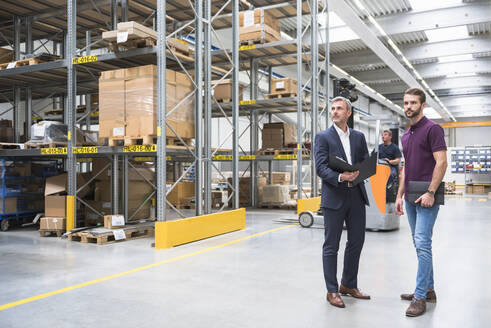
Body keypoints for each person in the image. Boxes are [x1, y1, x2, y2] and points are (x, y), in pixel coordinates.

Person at [395, 88, 447, 317]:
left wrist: (431, 191)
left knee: (423, 243)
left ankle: (419, 297)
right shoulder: (406, 134)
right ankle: (428, 289)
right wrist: (398, 195)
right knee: (419, 245)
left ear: (422, 105)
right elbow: (405, 167)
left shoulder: (432, 129)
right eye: (406, 103)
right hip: (410, 196)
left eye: (413, 103)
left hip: (427, 197)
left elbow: (442, 162)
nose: (408, 106)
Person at [314, 96, 371, 308]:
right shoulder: (323, 137)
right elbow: (320, 167)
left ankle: (348, 284)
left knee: (356, 242)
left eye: (339, 109)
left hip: (356, 195)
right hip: (335, 196)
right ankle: (332, 290)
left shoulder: (359, 136)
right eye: (333, 109)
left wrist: (362, 172)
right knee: (331, 245)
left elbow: (365, 160)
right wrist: (341, 177)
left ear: (349, 113)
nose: (335, 112)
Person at [378, 130, 402, 200]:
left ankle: (388, 192)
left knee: (390, 175)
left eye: (385, 134)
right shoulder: (379, 147)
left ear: (390, 137)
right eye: (382, 135)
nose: (383, 136)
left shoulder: (394, 147)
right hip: (380, 167)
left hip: (390, 167)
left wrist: (390, 161)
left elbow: (398, 160)